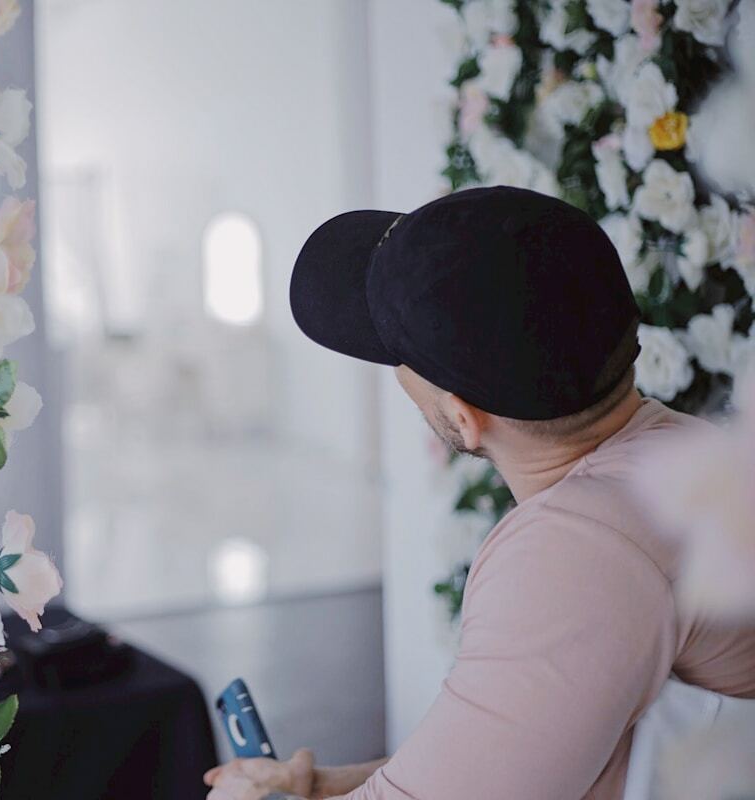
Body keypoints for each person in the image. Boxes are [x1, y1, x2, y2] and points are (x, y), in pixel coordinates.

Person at [203, 187, 755, 800]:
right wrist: (332, 788)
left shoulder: (579, 553)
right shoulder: (679, 455)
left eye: (396, 357)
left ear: (462, 419)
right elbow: (536, 743)